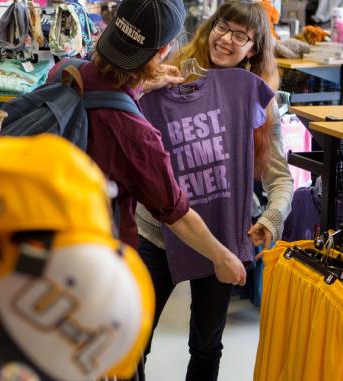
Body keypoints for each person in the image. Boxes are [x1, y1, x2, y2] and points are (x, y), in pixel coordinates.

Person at [135, 0, 294, 381]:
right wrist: (146, 86)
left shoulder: (252, 96)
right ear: (211, 26)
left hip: (221, 238)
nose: (227, 39)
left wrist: (271, 219)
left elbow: (281, 178)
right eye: (224, 27)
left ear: (253, 49)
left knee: (206, 346)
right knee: (133, 344)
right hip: (157, 233)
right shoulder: (168, 76)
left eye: (241, 35)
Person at [78, 0, 245, 287]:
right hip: (98, 262)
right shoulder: (136, 135)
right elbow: (176, 213)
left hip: (48, 237)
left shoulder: (69, 72)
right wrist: (223, 257)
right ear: (164, 50)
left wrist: (142, 85)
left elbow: (108, 91)